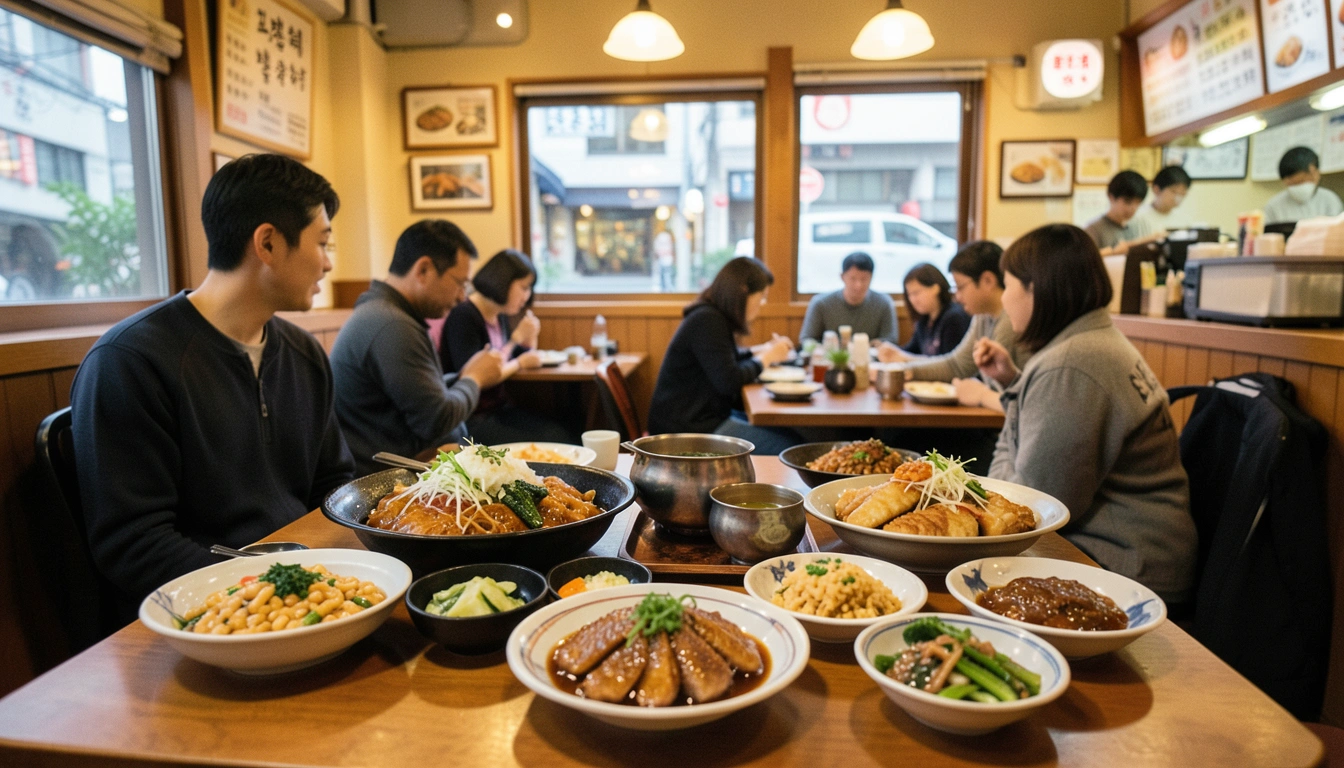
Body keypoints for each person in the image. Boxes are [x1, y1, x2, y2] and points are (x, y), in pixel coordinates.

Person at [69, 153, 355, 608]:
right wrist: (273, 592)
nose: (326, 264)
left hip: (308, 590)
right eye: (322, 243)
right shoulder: (130, 361)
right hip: (205, 610)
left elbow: (334, 488)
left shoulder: (304, 355)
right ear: (267, 243)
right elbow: (133, 543)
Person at [975, 223, 1196, 602]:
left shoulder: (1072, 364)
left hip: (1125, 564)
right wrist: (1015, 384)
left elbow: (1026, 510)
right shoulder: (1092, 343)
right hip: (1135, 552)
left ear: (1037, 290)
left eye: (1009, 284)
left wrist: (1018, 393)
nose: (1005, 298)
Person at [330, 220, 507, 475]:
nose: (461, 297)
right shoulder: (391, 325)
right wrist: (474, 378)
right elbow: (436, 421)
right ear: (423, 269)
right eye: (460, 283)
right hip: (391, 479)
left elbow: (419, 396)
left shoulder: (387, 314)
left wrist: (461, 377)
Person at [648, 256, 797, 453]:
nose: (761, 304)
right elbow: (729, 381)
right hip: (686, 430)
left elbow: (724, 360)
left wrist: (760, 350)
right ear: (743, 291)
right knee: (788, 447)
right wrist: (768, 356)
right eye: (761, 296)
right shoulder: (707, 320)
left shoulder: (710, 316)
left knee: (786, 434)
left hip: (697, 420)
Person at [439, 249, 571, 444]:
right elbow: (476, 375)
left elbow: (520, 355)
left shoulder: (498, 313)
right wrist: (516, 344)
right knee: (557, 437)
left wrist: (529, 338)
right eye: (524, 287)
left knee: (568, 425)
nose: (527, 296)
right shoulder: (464, 316)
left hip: (498, 410)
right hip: (472, 419)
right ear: (502, 281)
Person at [886, 241, 1032, 414]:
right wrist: (906, 371)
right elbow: (958, 365)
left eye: (960, 286)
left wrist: (982, 395)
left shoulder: (1010, 320)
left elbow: (1021, 400)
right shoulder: (982, 316)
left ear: (988, 280)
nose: (957, 296)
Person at [800, 252, 899, 348]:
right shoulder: (821, 303)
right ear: (842, 277)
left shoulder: (883, 303)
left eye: (864, 279)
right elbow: (806, 339)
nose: (858, 285)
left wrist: (878, 345)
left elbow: (890, 339)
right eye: (853, 278)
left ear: (871, 277)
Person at [896, 262, 971, 358]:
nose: (913, 300)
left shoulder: (954, 317)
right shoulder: (924, 319)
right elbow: (911, 350)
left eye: (916, 293)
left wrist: (904, 358)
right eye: (909, 294)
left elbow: (949, 364)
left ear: (935, 288)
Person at [1263, 146, 1343, 225]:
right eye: (1293, 184)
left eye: (1302, 181)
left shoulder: (1330, 201)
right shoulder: (1273, 206)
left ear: (1315, 174)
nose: (1299, 187)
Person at [1084, 170, 1150, 255]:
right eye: (1127, 201)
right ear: (1111, 197)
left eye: (1138, 203)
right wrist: (1113, 251)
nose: (1132, 208)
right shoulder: (1093, 230)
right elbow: (1086, 262)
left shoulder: (1136, 226)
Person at [1128, 165, 1192, 240]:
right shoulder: (1138, 217)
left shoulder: (1183, 219)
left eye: (1182, 194)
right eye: (1174, 192)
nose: (1178, 198)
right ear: (1156, 189)